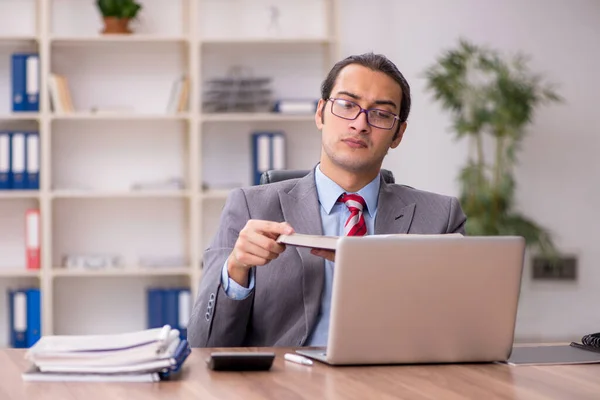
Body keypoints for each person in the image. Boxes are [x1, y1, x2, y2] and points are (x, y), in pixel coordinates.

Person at [187, 53, 466, 348]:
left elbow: (461, 335)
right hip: (287, 385)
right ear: (320, 113)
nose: (360, 124)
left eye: (382, 114)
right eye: (347, 105)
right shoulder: (248, 207)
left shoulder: (439, 218)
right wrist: (236, 269)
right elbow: (203, 344)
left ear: (398, 134)